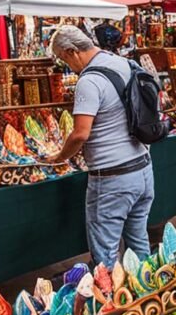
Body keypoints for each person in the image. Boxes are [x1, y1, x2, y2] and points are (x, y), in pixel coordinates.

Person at [43, 25, 154, 269]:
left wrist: (61, 156)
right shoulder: (122, 63)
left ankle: (113, 303)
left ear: (72, 51)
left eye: (64, 59)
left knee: (105, 254)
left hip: (113, 178)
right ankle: (151, 297)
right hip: (143, 168)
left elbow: (81, 133)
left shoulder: (89, 80)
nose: (67, 66)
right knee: (139, 244)